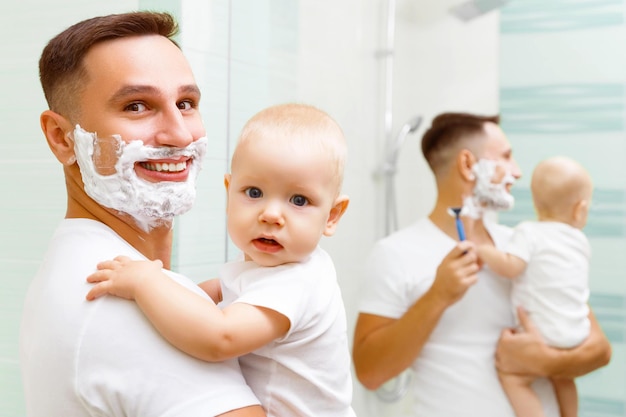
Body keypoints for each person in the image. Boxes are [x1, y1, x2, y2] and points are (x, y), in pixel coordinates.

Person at [19, 11, 266, 417]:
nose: (180, 134)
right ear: (62, 138)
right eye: (137, 106)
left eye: (186, 103)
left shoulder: (74, 263)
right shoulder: (134, 300)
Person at [85, 103, 356, 417]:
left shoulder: (296, 283)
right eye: (254, 192)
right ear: (230, 194)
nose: (270, 215)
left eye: (299, 200)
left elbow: (221, 338)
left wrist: (146, 283)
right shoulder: (265, 271)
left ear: (332, 216)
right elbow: (211, 294)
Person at [352, 112, 611, 416]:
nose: (517, 172)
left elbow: (600, 349)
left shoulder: (524, 245)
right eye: (506, 156)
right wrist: (438, 296)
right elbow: (370, 373)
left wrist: (544, 361)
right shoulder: (395, 254)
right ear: (468, 165)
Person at [477, 156, 594, 417]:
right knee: (564, 377)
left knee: (514, 377)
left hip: (543, 333)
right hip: (575, 334)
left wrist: (484, 251)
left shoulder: (529, 232)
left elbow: (511, 266)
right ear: (580, 210)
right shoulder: (580, 242)